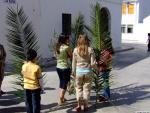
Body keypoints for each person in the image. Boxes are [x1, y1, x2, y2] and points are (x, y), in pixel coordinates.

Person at [72, 34, 96, 112]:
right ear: (87, 40)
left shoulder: (75, 50)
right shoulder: (90, 49)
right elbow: (93, 64)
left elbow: (73, 63)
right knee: (86, 90)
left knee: (78, 89)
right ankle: (85, 106)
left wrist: (73, 72)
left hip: (78, 72)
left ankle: (79, 105)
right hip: (88, 72)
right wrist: (97, 68)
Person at [21, 49, 41, 113]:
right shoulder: (37, 67)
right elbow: (40, 79)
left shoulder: (24, 66)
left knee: (28, 103)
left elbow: (23, 73)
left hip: (26, 87)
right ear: (34, 57)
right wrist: (42, 88)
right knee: (36, 104)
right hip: (35, 88)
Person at [55, 34, 72, 105]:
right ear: (64, 39)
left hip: (58, 67)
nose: (68, 40)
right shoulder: (67, 47)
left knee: (62, 82)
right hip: (65, 67)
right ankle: (61, 99)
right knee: (65, 84)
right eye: (67, 39)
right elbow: (71, 56)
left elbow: (55, 56)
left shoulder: (57, 46)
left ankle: (63, 97)